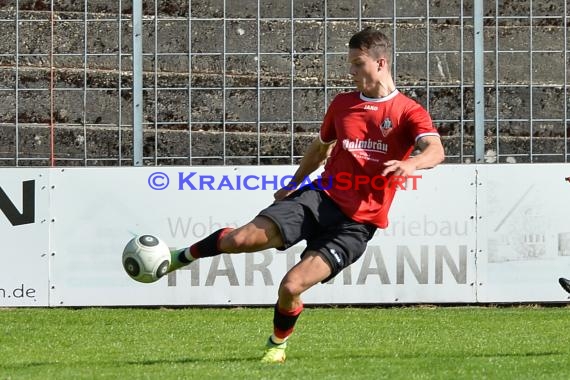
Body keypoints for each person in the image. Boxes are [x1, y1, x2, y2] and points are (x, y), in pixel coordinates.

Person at [167, 27, 445, 364]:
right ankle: (181, 256)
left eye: (358, 64)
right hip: (319, 198)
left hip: (356, 224)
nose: (352, 71)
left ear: (380, 63)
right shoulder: (343, 104)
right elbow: (321, 148)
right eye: (351, 64)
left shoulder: (407, 111)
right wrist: (294, 182)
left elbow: (435, 150)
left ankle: (276, 344)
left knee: (291, 287)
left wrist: (411, 163)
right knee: (240, 240)